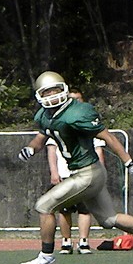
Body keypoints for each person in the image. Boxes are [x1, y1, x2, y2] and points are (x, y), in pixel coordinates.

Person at [17, 71, 133, 264]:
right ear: (40, 95)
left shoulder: (78, 112)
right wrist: (31, 148)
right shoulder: (45, 115)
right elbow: (41, 138)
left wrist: (129, 163)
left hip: (88, 173)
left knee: (44, 206)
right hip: (83, 173)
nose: (52, 95)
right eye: (48, 92)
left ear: (64, 89)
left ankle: (46, 258)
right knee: (109, 220)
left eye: (55, 90)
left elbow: (109, 138)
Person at [46, 88, 105, 255]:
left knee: (85, 209)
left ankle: (83, 241)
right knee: (64, 209)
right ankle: (66, 241)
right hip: (66, 174)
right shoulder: (57, 121)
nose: (76, 102)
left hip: (86, 174)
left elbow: (99, 150)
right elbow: (51, 150)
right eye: (72, 99)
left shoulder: (88, 123)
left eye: (78, 99)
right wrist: (54, 172)